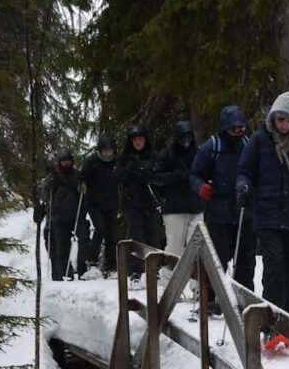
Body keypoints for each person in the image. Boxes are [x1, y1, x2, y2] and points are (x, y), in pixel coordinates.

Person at [236, 92, 289, 340]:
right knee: (274, 268)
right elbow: (244, 171)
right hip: (268, 215)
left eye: (287, 120)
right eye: (279, 119)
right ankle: (271, 326)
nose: (282, 124)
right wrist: (243, 186)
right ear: (273, 118)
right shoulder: (259, 141)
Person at [191, 105, 256, 311]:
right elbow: (194, 174)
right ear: (225, 128)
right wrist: (201, 187)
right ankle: (211, 299)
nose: (238, 132)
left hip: (244, 210)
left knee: (245, 259)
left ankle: (243, 300)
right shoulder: (212, 146)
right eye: (234, 128)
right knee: (217, 258)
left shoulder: (248, 145)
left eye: (241, 127)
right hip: (218, 210)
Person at [116, 124, 162, 282]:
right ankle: (136, 269)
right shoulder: (125, 157)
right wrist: (129, 169)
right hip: (132, 202)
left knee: (153, 235)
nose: (138, 142)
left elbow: (159, 176)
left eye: (140, 139)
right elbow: (117, 178)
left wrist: (149, 174)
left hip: (150, 201)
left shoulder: (153, 156)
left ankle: (154, 268)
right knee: (137, 237)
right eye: (135, 139)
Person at [38, 148, 89, 281]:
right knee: (62, 246)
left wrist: (81, 187)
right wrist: (48, 187)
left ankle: (83, 269)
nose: (66, 164)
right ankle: (66, 272)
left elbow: (85, 193)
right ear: (59, 162)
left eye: (68, 161)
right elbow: (43, 196)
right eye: (63, 161)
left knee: (84, 238)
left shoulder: (77, 175)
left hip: (76, 216)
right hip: (58, 217)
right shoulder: (52, 177)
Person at [156, 120, 204, 259]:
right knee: (174, 249)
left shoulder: (198, 153)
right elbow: (156, 177)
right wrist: (178, 176)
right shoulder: (166, 155)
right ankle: (168, 280)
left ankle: (197, 280)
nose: (186, 142)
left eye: (189, 137)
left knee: (196, 247)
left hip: (196, 207)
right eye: (183, 138)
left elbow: (205, 173)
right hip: (174, 208)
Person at [80, 136, 119, 276]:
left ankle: (111, 265)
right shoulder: (92, 162)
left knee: (110, 234)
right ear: (100, 151)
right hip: (94, 203)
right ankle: (92, 262)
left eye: (110, 151)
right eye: (105, 151)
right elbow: (81, 176)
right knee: (100, 229)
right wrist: (82, 184)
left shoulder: (116, 162)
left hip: (111, 203)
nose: (108, 154)